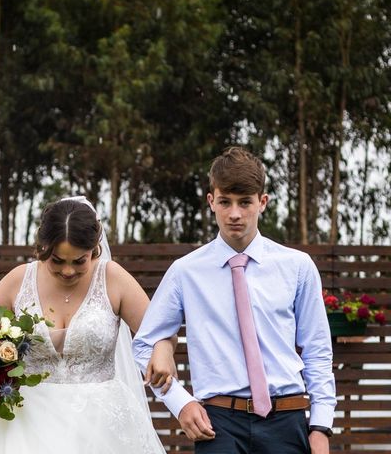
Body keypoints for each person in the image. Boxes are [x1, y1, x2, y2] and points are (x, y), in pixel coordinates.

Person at [133, 146, 336, 454]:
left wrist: (321, 427)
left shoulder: (298, 267)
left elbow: (318, 352)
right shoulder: (186, 272)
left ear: (262, 202)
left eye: (245, 202)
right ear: (211, 201)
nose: (235, 214)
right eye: (225, 202)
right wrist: (180, 403)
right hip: (219, 425)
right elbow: (143, 344)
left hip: (287, 418)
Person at [0, 197, 175, 453]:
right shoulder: (19, 280)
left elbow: (159, 332)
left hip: (100, 427)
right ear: (43, 247)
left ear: (94, 249)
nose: (67, 271)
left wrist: (163, 349)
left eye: (79, 261)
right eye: (57, 261)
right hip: (25, 425)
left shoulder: (113, 278)